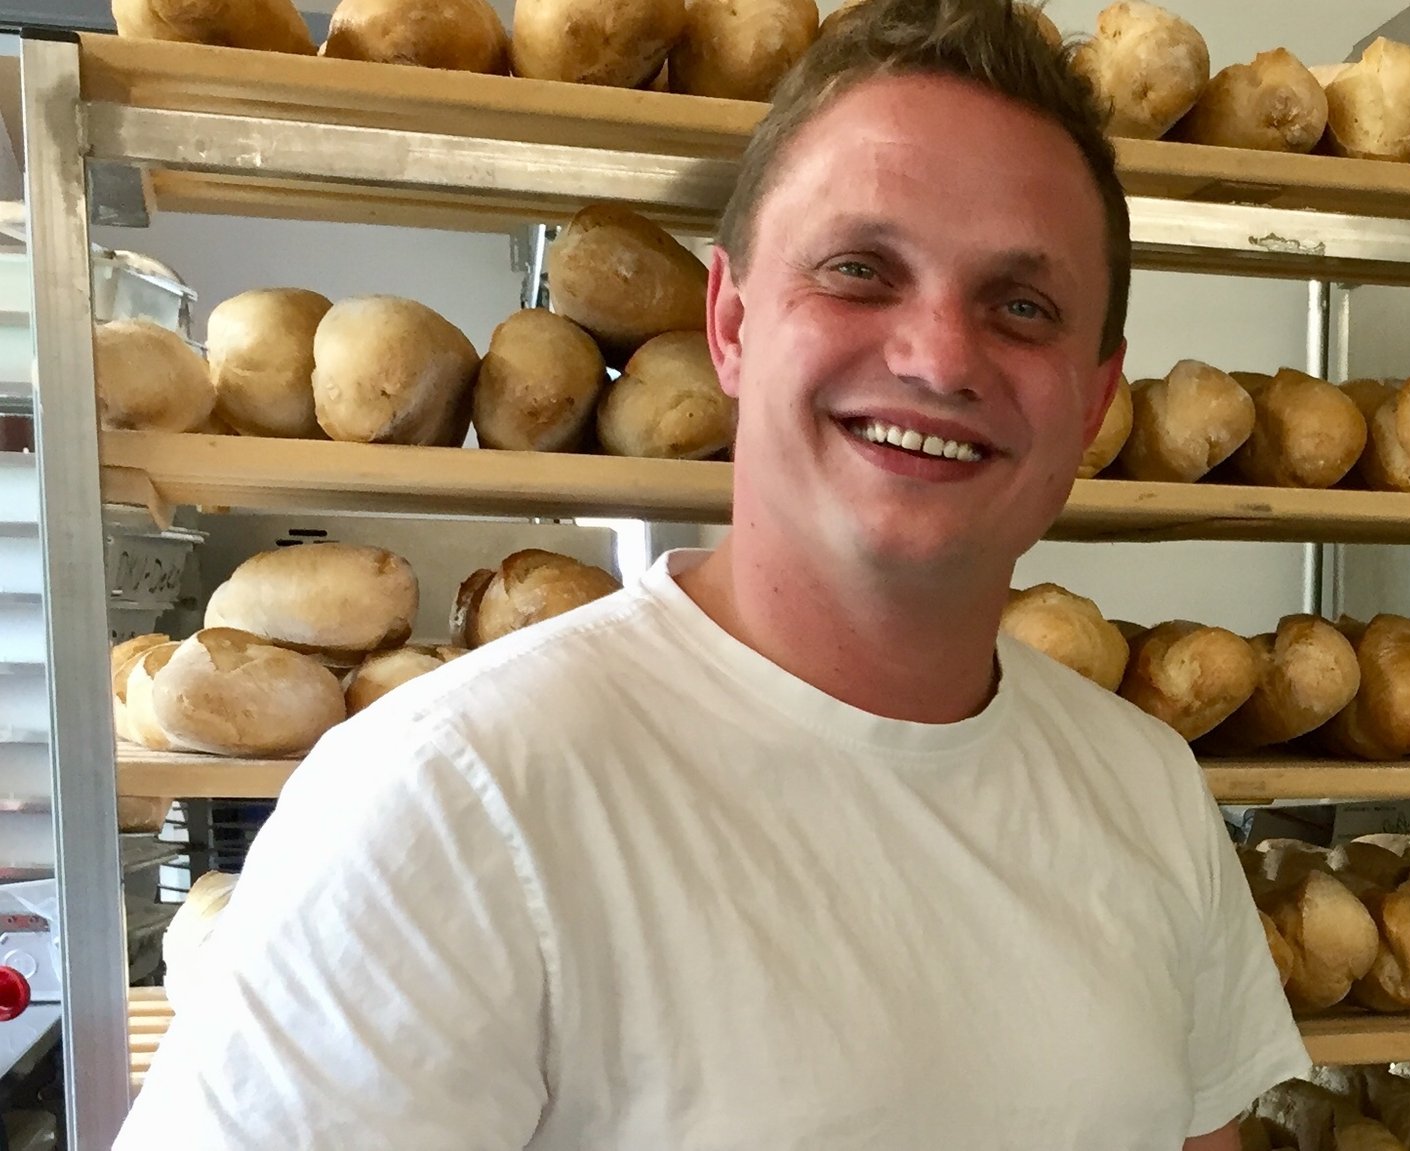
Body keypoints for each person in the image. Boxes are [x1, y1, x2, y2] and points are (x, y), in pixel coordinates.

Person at [117, 0, 1309, 1146]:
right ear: (730, 324)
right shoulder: (447, 803)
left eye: (1022, 302)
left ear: (1092, 401)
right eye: (858, 269)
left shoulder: (1146, 792)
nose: (940, 354)